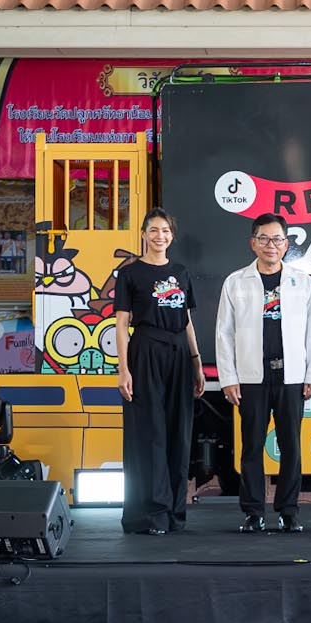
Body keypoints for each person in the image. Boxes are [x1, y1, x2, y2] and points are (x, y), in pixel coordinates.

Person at [215, 214, 311, 533]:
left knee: (291, 447)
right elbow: (224, 333)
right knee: (251, 447)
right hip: (252, 377)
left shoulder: (301, 281)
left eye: (277, 239)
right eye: (264, 238)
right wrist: (228, 378)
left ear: (286, 245)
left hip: (291, 377)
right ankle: (253, 512)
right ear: (253, 243)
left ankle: (289, 511)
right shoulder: (236, 282)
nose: (270, 245)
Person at [114, 208, 205, 536]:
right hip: (146, 351)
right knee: (149, 432)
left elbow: (187, 320)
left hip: (179, 353)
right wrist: (124, 369)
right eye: (153, 230)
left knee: (179, 432)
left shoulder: (181, 272)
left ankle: (174, 513)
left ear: (172, 235)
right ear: (143, 234)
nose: (159, 236)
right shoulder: (130, 274)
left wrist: (197, 362)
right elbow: (121, 324)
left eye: (165, 230)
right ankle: (151, 514)